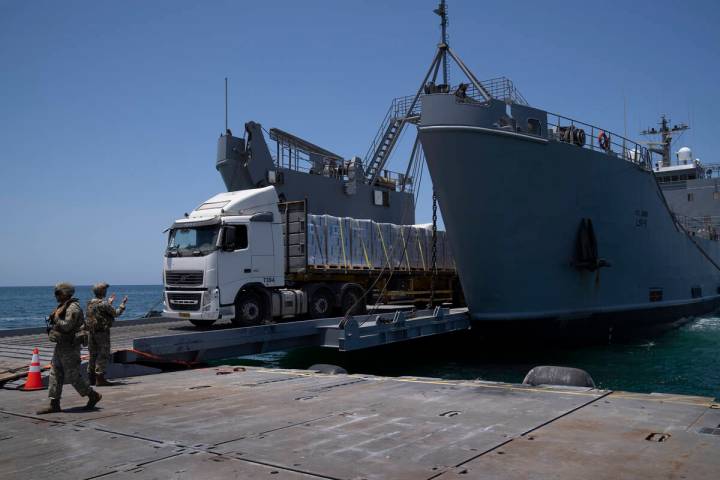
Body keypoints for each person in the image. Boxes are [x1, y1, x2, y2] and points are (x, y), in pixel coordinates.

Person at [37, 282, 102, 414]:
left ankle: (93, 395)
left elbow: (66, 326)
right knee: (55, 373)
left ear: (65, 293)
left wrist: (55, 318)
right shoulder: (63, 306)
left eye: (58, 293)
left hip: (70, 347)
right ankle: (54, 403)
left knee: (73, 376)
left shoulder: (73, 308)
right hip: (61, 346)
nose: (55, 296)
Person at [86, 282, 127, 386]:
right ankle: (100, 379)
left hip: (91, 332)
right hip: (102, 333)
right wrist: (123, 304)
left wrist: (109, 303)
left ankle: (91, 379)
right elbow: (115, 313)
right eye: (105, 290)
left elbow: (100, 312)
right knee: (103, 354)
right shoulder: (104, 304)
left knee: (93, 355)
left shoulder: (90, 303)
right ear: (102, 292)